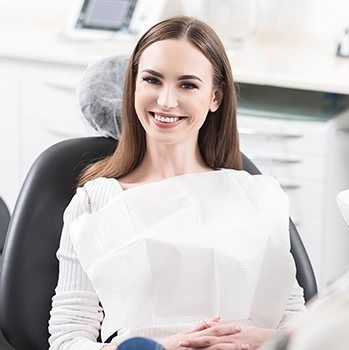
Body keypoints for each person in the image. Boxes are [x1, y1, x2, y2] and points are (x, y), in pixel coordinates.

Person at [48, 16, 306, 350]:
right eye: (152, 80)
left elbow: (296, 324)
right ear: (134, 87)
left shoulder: (260, 196)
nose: (167, 101)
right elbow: (67, 340)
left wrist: (261, 340)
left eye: (187, 85)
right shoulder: (96, 203)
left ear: (215, 97)